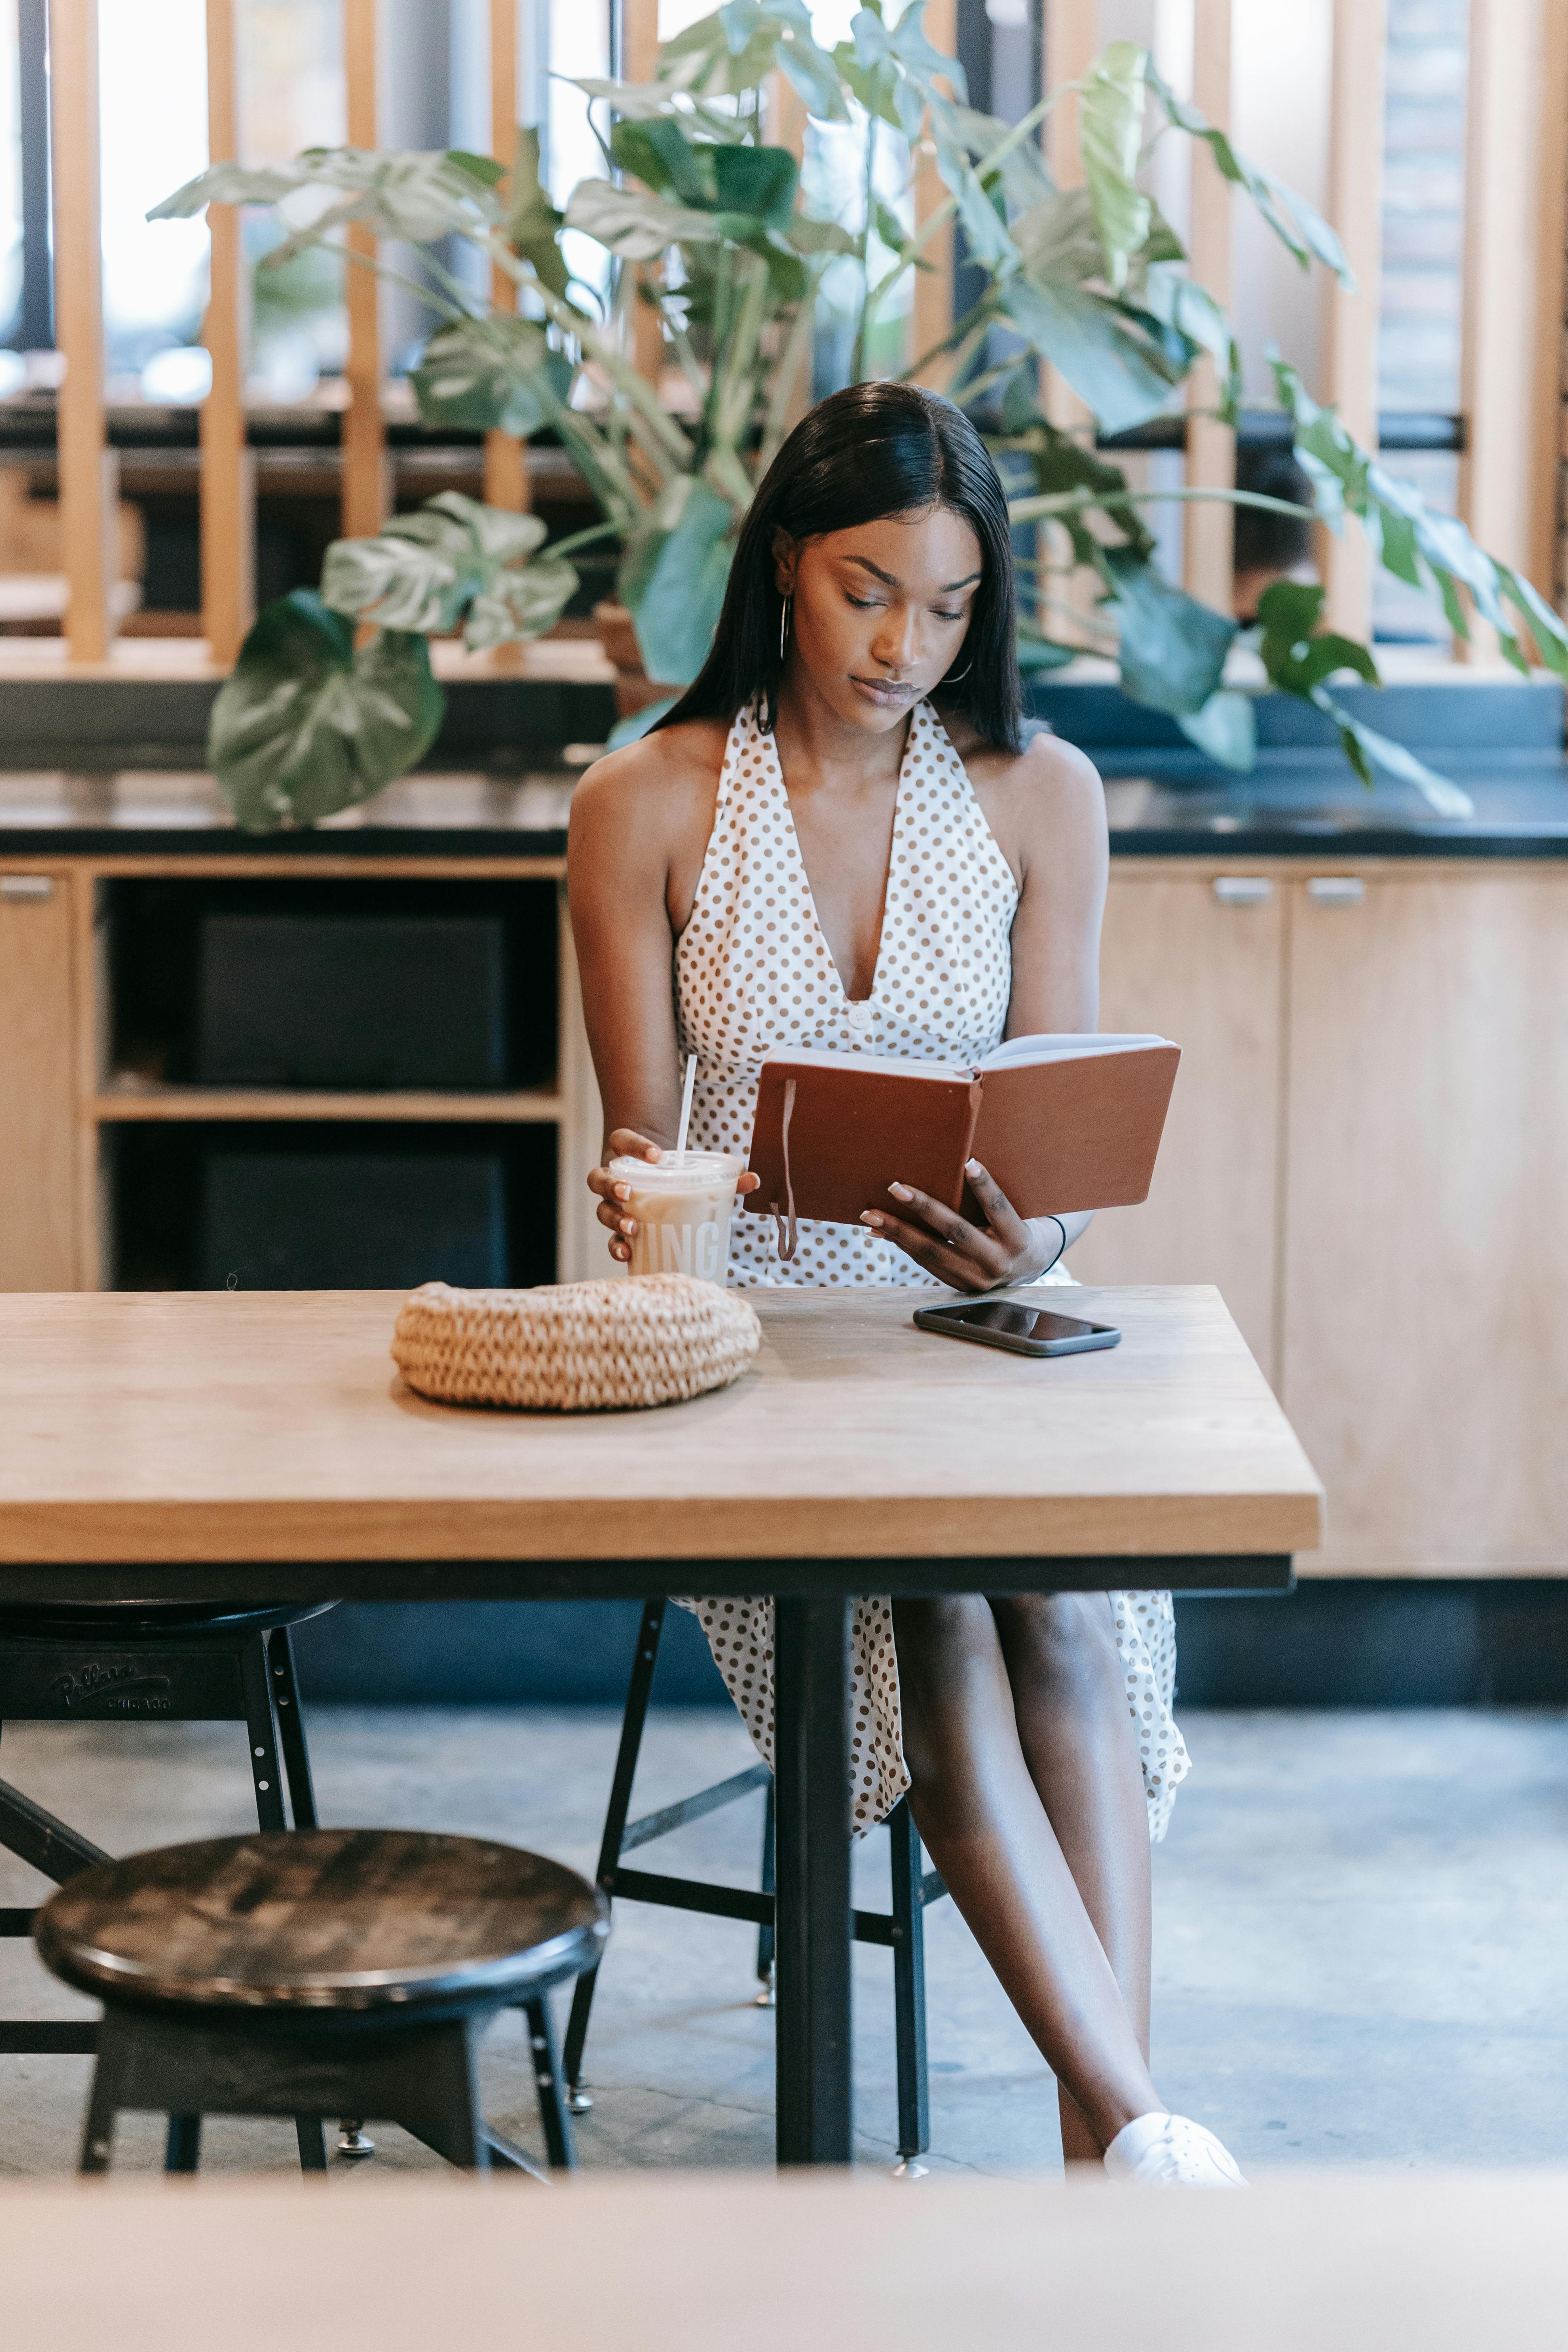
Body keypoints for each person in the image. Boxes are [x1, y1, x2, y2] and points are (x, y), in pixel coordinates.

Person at [568, 380, 1242, 2187]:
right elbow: (639, 1144)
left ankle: (1120, 2136)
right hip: (753, 1352)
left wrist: (1033, 1239)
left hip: (981, 1320)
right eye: (869, 589)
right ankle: (1135, 2135)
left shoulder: (1041, 794)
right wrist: (657, 1193)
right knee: (932, 1600)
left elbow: (1060, 1124)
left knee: (1072, 1597)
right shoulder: (643, 800)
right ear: (784, 559)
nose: (904, 645)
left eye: (948, 607)